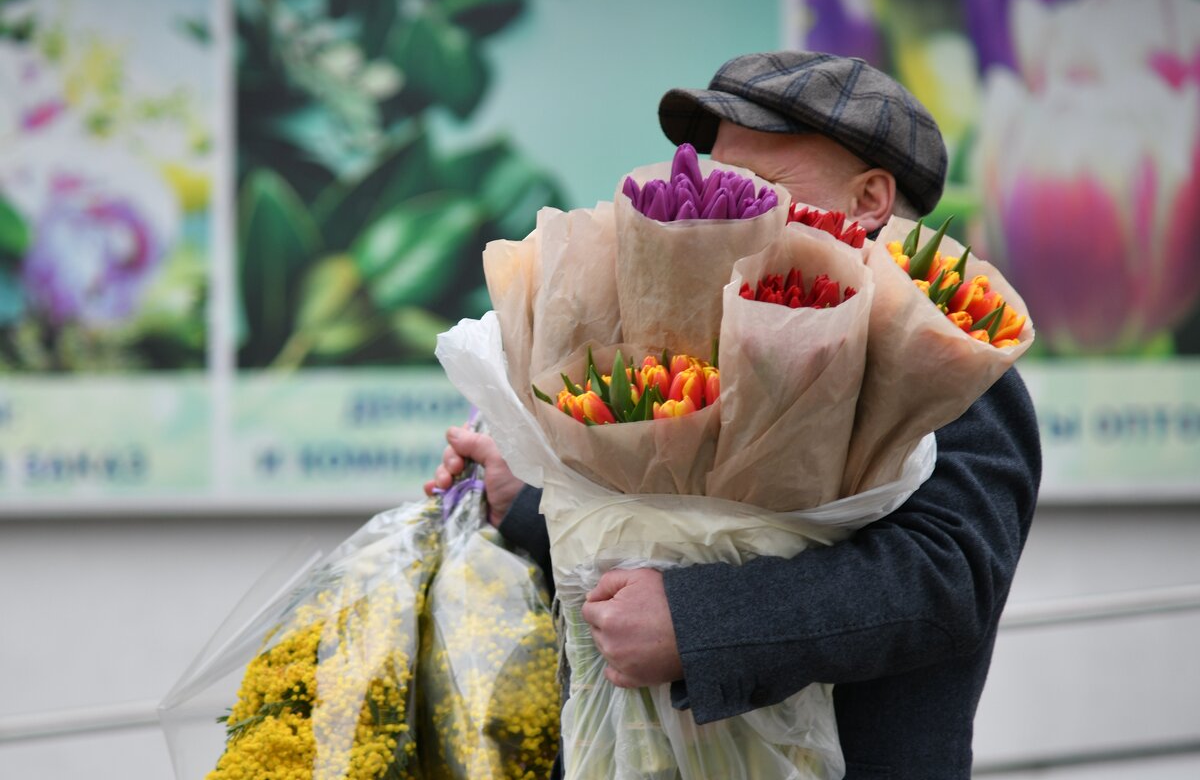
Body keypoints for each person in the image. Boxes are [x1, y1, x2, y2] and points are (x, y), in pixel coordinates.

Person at [425, 51, 1041, 779]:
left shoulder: (946, 361)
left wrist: (693, 624)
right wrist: (525, 498)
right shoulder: (710, 328)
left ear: (870, 199)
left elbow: (947, 575)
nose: (721, 196)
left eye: (758, 183)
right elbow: (675, 519)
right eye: (718, 173)